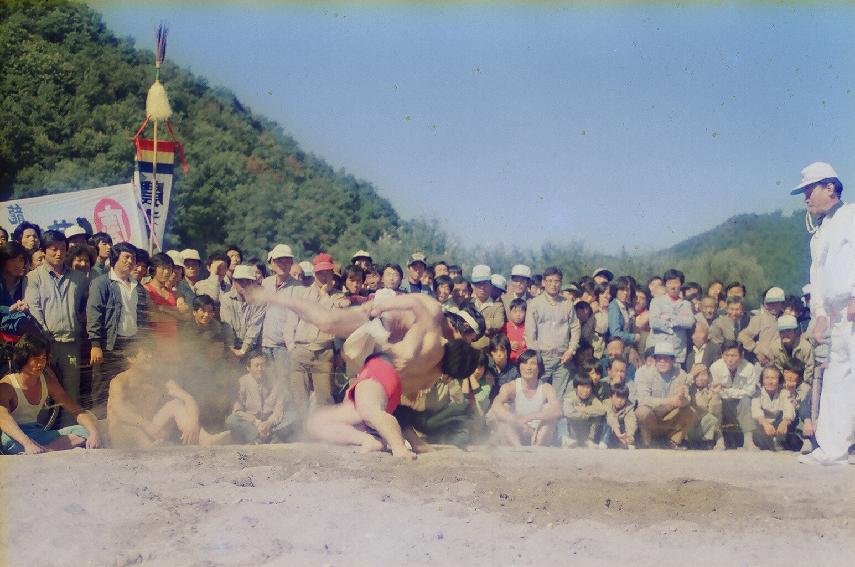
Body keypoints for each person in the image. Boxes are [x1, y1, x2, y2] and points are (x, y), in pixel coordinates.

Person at [787, 163, 855, 465]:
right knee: (837, 376)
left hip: (851, 304)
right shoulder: (819, 233)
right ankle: (834, 448)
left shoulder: (852, 217)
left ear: (831, 187)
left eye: (809, 190)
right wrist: (819, 312)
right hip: (834, 312)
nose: (806, 198)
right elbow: (817, 277)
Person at [106, 341, 230, 449]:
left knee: (176, 404)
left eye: (151, 354)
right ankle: (149, 447)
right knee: (124, 418)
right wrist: (146, 425)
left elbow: (188, 398)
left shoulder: (159, 380)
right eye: (145, 354)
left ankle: (206, 439)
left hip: (152, 431)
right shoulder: (120, 381)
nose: (151, 357)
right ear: (131, 359)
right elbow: (119, 409)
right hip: (125, 435)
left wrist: (193, 421)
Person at [24, 230, 89, 423]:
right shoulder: (33, 277)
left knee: (71, 391)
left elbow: (84, 308)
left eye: (63, 249)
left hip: (71, 342)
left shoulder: (78, 278)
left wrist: (78, 323)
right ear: (44, 251)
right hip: (45, 345)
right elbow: (34, 311)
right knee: (43, 390)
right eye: (54, 249)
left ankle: (70, 430)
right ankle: (41, 431)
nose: (59, 253)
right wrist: (45, 340)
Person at [0, 333, 102, 454]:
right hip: (14, 436)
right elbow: (3, 418)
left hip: (38, 433)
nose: (40, 364)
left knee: (84, 431)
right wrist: (27, 443)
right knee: (14, 445)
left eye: (43, 358)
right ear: (24, 358)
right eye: (35, 359)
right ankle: (38, 449)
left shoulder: (48, 382)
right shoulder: (7, 384)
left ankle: (47, 451)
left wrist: (94, 433)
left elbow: (76, 410)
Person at [86, 242, 149, 416]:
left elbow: (143, 319)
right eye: (126, 257)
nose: (130, 261)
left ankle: (121, 429)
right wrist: (95, 344)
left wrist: (143, 345)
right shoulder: (102, 283)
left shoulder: (139, 288)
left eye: (133, 258)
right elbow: (94, 313)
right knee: (102, 387)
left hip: (131, 346)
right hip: (109, 344)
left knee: (128, 388)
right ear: (115, 259)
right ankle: (99, 426)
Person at [524, 266, 581, 402]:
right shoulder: (534, 304)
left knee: (556, 399)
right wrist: (536, 358)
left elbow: (575, 328)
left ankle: (553, 423)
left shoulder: (567, 304)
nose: (553, 284)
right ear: (543, 282)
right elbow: (530, 334)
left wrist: (571, 350)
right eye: (549, 281)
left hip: (563, 359)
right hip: (542, 359)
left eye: (556, 281)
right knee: (537, 396)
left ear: (561, 283)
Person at [487, 349, 562, 447]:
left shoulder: (546, 388)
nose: (528, 367)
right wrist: (516, 420)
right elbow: (496, 406)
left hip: (538, 433)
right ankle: (518, 448)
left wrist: (532, 417)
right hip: (516, 431)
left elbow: (558, 411)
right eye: (524, 363)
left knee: (549, 408)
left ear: (539, 368)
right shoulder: (511, 387)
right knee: (504, 407)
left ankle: (537, 448)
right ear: (519, 366)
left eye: (533, 363)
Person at [634, 342, 694, 449]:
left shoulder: (681, 374)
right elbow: (643, 399)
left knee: (689, 411)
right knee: (642, 412)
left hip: (670, 417)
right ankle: (647, 443)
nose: (662, 361)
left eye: (666, 358)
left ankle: (673, 441)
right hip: (652, 416)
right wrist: (670, 401)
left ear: (673, 360)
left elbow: (687, 398)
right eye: (658, 358)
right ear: (655, 360)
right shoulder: (644, 373)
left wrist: (682, 398)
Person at [226, 351, 294, 444]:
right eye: (256, 365)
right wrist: (257, 422)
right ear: (248, 367)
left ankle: (267, 436)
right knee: (232, 419)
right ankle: (260, 437)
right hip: (252, 423)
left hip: (271, 422)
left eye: (263, 365)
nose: (260, 369)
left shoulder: (276, 383)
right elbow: (238, 410)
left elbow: (279, 409)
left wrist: (269, 423)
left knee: (293, 415)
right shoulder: (242, 382)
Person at [709, 340, 759, 450]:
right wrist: (733, 391)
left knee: (746, 400)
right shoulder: (715, 367)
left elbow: (750, 391)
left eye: (734, 355)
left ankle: (748, 440)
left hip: (741, 404)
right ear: (722, 355)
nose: (730, 359)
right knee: (715, 400)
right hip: (723, 403)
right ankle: (719, 439)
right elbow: (717, 391)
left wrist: (728, 390)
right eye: (727, 355)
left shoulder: (749, 367)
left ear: (741, 355)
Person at [648, 269, 695, 368]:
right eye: (669, 283)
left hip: (677, 352)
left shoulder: (686, 304)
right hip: (658, 350)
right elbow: (653, 322)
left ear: (681, 284)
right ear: (665, 285)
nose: (673, 286)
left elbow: (690, 322)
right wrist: (675, 323)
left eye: (676, 283)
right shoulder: (656, 301)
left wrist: (669, 318)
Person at [220, 264, 265, 360]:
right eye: (240, 281)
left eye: (247, 281)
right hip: (231, 347)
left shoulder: (260, 300)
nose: (244, 284)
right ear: (234, 281)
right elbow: (227, 326)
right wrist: (232, 351)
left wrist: (243, 351)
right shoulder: (226, 298)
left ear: (253, 282)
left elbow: (255, 327)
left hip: (254, 348)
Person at [751, 365, 794, 452]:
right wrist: (765, 424)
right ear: (762, 380)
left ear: (779, 380)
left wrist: (785, 422)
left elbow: (789, 408)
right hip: (763, 425)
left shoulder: (785, 393)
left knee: (789, 425)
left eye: (773, 378)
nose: (770, 381)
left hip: (779, 425)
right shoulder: (757, 392)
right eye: (766, 378)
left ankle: (779, 442)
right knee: (756, 430)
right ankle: (770, 443)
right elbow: (756, 410)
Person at [738, 287, 786, 364]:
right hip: (763, 362)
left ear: (782, 304)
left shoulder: (786, 319)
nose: (773, 306)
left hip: (781, 363)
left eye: (776, 303)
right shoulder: (759, 319)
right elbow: (743, 336)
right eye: (770, 303)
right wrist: (756, 351)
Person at [561, 374, 607, 449]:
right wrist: (583, 415)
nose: (585, 390)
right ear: (576, 388)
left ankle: (590, 440)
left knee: (597, 417)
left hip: (585, 430)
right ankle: (566, 439)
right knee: (563, 419)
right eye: (582, 387)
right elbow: (568, 412)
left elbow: (602, 409)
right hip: (573, 428)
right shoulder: (570, 397)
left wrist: (585, 409)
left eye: (588, 387)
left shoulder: (591, 397)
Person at [686, 363, 723, 450]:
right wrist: (691, 375)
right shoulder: (689, 389)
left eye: (703, 375)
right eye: (697, 375)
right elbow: (685, 382)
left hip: (705, 425)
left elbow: (715, 412)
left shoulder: (710, 390)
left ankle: (707, 440)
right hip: (691, 425)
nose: (701, 378)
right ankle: (690, 441)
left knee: (713, 417)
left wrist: (715, 394)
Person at [470, 264, 505, 337]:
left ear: (490, 285)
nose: (482, 287)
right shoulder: (468, 303)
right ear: (473, 285)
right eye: (478, 284)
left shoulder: (498, 306)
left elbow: (498, 323)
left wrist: (472, 323)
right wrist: (487, 323)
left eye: (485, 283)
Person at [608, 276, 640, 347]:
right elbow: (615, 333)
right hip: (615, 346)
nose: (625, 293)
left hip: (626, 346)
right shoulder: (614, 306)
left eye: (628, 290)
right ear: (616, 290)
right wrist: (634, 337)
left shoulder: (627, 306)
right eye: (622, 289)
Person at [602, 385, 637, 449]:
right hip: (608, 430)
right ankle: (603, 441)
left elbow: (630, 420)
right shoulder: (606, 403)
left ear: (626, 399)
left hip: (620, 434)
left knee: (628, 423)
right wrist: (618, 433)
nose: (619, 400)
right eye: (617, 397)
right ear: (611, 397)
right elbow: (611, 417)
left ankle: (627, 441)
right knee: (607, 422)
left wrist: (630, 435)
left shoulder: (629, 406)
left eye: (623, 398)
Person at [0, 241, 29, 311]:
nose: (17, 264)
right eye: (12, 260)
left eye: (21, 260)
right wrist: (8, 309)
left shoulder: (26, 281)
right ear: (3, 261)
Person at [501, 297, 527, 364]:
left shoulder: (528, 327)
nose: (518, 315)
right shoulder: (505, 327)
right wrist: (508, 345)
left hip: (524, 362)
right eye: (515, 311)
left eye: (521, 312)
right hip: (509, 362)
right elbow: (500, 343)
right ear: (510, 312)